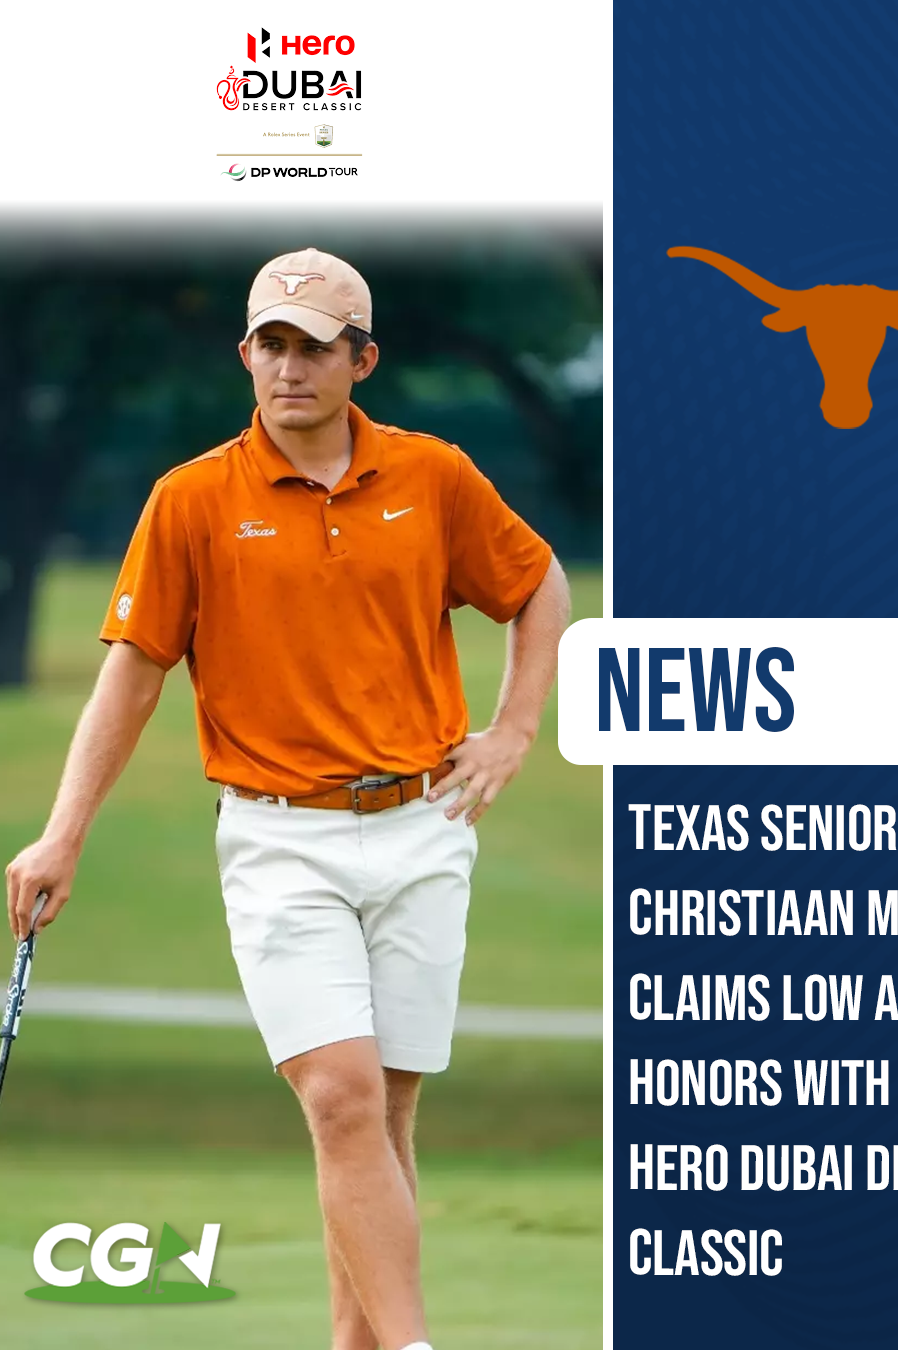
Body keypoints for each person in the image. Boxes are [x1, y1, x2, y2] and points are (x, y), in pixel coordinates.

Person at [5, 247, 571, 1350]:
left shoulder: (435, 476)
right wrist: (61, 835)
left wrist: (514, 730)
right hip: (278, 842)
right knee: (340, 1101)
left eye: (315, 346)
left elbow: (537, 583)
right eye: (272, 341)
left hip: (424, 824)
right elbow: (131, 674)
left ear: (362, 359)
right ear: (246, 354)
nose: (290, 366)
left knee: (382, 1114)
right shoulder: (192, 499)